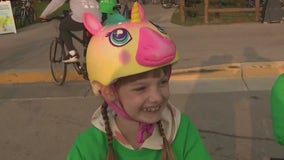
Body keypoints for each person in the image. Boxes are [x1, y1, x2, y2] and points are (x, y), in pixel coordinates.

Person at [67, 2, 211, 160]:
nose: (156, 96)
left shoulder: (181, 131)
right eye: (141, 88)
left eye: (162, 82)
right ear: (108, 91)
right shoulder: (88, 148)